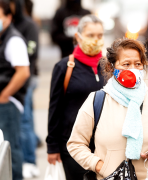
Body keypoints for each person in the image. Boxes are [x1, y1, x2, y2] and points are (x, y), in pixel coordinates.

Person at [67, 38, 148, 180]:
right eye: (126, 64)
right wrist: (100, 166)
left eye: (138, 64)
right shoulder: (96, 101)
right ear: (111, 67)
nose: (133, 69)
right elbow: (76, 144)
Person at [46, 15, 105, 180]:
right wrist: (52, 146)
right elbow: (54, 109)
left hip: (105, 146)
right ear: (78, 37)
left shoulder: (109, 67)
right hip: (73, 146)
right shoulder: (64, 67)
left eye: (99, 35)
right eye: (90, 35)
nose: (95, 40)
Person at [9, 0, 40, 178]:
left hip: (27, 78)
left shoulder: (29, 25)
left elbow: (32, 52)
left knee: (25, 120)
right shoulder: (7, 24)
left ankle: (30, 161)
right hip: (9, 79)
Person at [0, 1, 30, 180]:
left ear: (8, 18)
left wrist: (4, 95)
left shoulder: (14, 39)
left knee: (10, 148)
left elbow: (23, 72)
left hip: (8, 103)